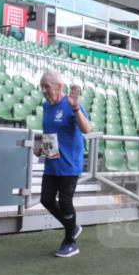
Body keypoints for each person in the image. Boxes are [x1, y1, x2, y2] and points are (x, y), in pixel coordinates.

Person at [35, 70, 91, 258]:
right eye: (42, 87)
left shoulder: (71, 104)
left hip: (69, 165)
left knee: (65, 202)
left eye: (47, 86)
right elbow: (51, 132)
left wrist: (76, 109)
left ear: (59, 87)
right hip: (52, 164)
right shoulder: (46, 106)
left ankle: (70, 242)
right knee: (46, 200)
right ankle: (72, 226)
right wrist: (42, 147)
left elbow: (86, 129)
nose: (44, 90)